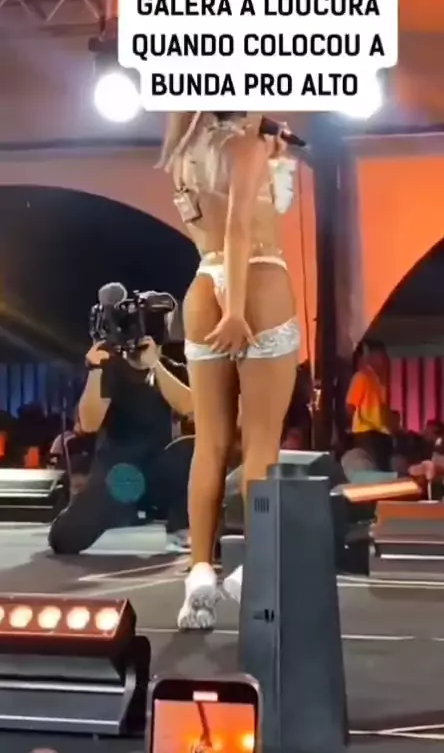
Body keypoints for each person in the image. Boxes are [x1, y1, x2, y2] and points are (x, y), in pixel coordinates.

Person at [161, 111, 300, 629]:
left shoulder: (182, 155)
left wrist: (273, 159)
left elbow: (218, 226)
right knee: (261, 442)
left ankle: (199, 570)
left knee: (210, 443)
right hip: (256, 282)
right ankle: (257, 566)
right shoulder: (244, 147)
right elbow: (240, 227)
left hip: (202, 287)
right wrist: (237, 310)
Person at [48, 336, 193, 554]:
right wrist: (96, 370)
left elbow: (191, 408)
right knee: (64, 539)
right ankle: (88, 511)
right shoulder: (111, 369)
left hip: (157, 473)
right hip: (119, 478)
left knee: (190, 449)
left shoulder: (170, 370)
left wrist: (155, 365)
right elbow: (89, 424)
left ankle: (180, 529)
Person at [346, 339, 392, 471]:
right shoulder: (362, 377)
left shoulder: (379, 379)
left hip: (381, 432)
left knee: (383, 469)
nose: (386, 360)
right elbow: (350, 405)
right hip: (366, 432)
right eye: (382, 356)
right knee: (373, 469)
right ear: (372, 357)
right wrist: (354, 426)